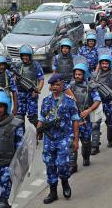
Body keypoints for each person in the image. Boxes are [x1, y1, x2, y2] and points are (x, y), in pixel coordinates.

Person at [37, 74, 80, 204]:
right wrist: (38, 131)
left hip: (63, 138)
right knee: (50, 166)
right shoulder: (45, 101)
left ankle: (65, 182)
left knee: (62, 165)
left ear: (62, 86)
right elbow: (42, 118)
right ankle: (53, 192)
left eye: (57, 85)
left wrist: (76, 139)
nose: (54, 87)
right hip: (49, 139)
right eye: (52, 85)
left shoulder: (69, 101)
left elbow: (75, 121)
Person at [69, 63, 101, 172]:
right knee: (72, 141)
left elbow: (97, 100)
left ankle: (86, 158)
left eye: (80, 74)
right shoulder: (70, 86)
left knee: (86, 142)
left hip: (86, 119)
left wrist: (89, 110)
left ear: (84, 75)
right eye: (76, 74)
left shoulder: (90, 87)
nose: (77, 76)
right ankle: (73, 165)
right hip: (74, 119)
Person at [90, 54, 112, 151]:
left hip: (109, 102)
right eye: (102, 63)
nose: (104, 65)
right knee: (95, 123)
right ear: (99, 64)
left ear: (110, 64)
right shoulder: (95, 75)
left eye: (106, 63)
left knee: (110, 122)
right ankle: (95, 146)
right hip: (97, 102)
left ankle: (111, 140)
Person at [13, 45, 44, 126]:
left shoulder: (36, 65)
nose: (25, 57)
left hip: (32, 93)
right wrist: (15, 79)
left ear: (30, 56)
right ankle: (21, 135)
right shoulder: (18, 66)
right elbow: (13, 80)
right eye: (23, 55)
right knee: (19, 117)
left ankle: (39, 132)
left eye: (27, 55)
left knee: (33, 117)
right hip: (20, 94)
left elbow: (41, 79)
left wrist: (37, 90)